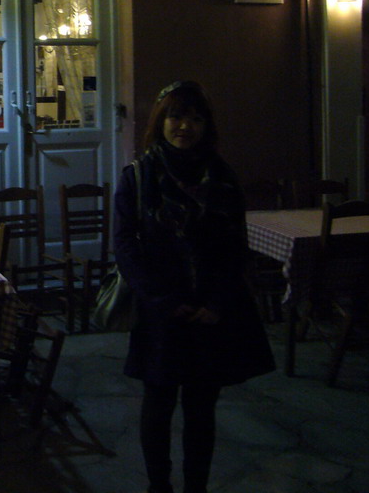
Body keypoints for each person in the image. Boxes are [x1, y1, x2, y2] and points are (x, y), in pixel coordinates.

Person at [113, 80, 274, 493]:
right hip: (161, 311)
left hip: (210, 310)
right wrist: (163, 301)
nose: (185, 126)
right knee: (159, 403)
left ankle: (196, 487)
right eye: (177, 116)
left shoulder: (222, 179)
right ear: (160, 121)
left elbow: (236, 246)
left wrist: (217, 302)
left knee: (202, 408)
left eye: (196, 118)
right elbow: (125, 247)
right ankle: (160, 485)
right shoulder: (139, 177)